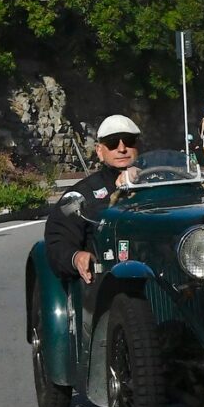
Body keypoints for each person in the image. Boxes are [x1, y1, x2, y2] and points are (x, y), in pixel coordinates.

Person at [45, 114, 141, 283]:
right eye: (112, 143)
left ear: (137, 146)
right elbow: (58, 235)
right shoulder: (81, 194)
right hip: (105, 280)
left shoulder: (157, 182)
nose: (121, 148)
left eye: (128, 141)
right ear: (99, 151)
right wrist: (75, 257)